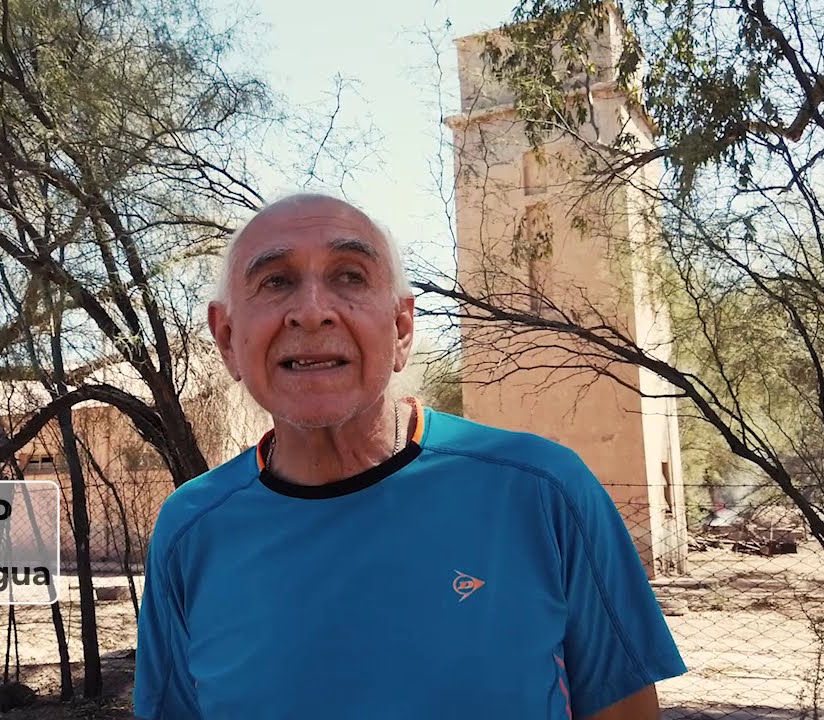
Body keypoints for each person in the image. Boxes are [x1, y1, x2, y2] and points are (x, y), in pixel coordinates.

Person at [132, 193, 687, 719]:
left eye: (350, 276)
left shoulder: (543, 492)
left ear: (401, 327)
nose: (312, 311)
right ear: (227, 338)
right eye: (276, 281)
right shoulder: (189, 533)